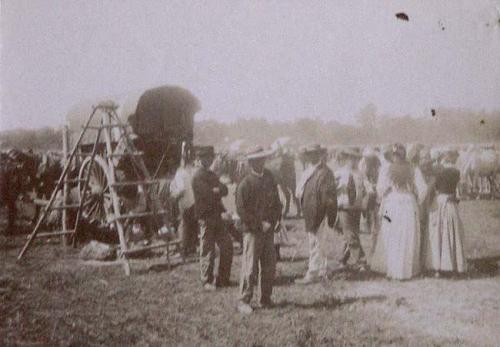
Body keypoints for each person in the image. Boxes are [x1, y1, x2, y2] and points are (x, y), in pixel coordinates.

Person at [236, 146, 282, 314]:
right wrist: (258, 224)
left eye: (263, 159)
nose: (261, 163)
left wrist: (273, 220)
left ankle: (266, 298)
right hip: (253, 232)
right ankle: (244, 300)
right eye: (257, 160)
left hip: (269, 231)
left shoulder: (269, 178)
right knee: (250, 267)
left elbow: (277, 203)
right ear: (251, 162)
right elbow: (242, 210)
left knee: (269, 266)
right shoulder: (245, 182)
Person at [370, 143, 421, 280]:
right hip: (409, 204)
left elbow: (381, 190)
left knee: (391, 234)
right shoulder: (412, 169)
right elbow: (419, 190)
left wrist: (387, 191)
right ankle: (405, 269)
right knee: (406, 235)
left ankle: (393, 268)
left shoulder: (387, 169)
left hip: (392, 203)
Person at [191, 146, 233, 291]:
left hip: (217, 216)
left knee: (227, 246)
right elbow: (207, 195)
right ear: (200, 159)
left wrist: (217, 190)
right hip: (206, 217)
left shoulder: (211, 175)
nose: (208, 160)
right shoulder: (197, 176)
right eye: (205, 158)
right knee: (208, 250)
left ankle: (223, 278)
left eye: (210, 158)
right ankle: (206, 280)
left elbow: (225, 190)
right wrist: (216, 190)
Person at [295, 144, 338, 284]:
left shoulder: (325, 172)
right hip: (310, 210)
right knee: (315, 241)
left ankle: (313, 272)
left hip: (319, 212)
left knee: (317, 242)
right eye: (310, 154)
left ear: (319, 155)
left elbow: (329, 197)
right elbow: (300, 190)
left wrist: (329, 215)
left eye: (314, 154)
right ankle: (322, 269)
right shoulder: (309, 171)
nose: (311, 156)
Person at [423, 149, 466, 276]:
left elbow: (431, 188)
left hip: (439, 202)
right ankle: (454, 265)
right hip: (451, 203)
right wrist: (455, 197)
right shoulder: (457, 172)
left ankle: (438, 268)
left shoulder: (438, 171)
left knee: (438, 234)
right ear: (452, 158)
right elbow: (461, 192)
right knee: (452, 233)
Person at [334, 148, 366, 269]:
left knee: (350, 235)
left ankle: (342, 259)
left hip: (356, 208)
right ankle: (361, 260)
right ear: (347, 159)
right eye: (352, 158)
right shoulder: (339, 173)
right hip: (344, 207)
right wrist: (337, 187)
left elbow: (364, 189)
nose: (354, 161)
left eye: (356, 159)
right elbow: (332, 189)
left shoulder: (360, 174)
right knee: (350, 235)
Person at [170, 144, 198, 258]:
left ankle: (183, 249)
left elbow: (181, 189)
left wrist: (174, 195)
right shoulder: (192, 171)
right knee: (192, 226)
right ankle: (191, 247)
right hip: (193, 201)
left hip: (185, 202)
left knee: (184, 226)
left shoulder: (180, 173)